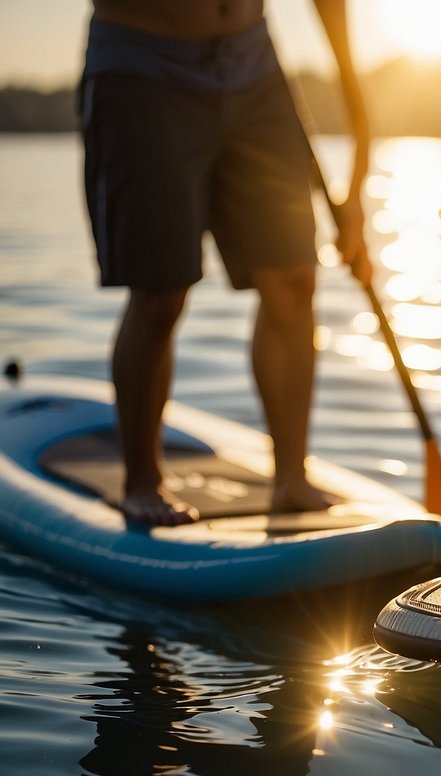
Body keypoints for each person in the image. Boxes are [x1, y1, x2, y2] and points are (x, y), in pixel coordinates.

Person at [80, 0, 371, 525]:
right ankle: (142, 483)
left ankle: (291, 479)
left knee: (294, 280)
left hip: (253, 67)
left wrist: (361, 145)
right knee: (159, 294)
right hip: (142, 69)